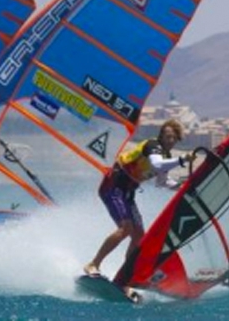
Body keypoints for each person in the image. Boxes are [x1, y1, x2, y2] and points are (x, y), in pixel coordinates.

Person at [83, 120, 194, 288]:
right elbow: (157, 164)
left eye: (174, 138)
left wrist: (182, 186)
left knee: (139, 237)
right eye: (168, 136)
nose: (170, 140)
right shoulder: (152, 145)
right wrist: (182, 160)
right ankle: (93, 264)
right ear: (161, 136)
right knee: (126, 228)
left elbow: (162, 182)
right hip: (113, 186)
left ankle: (124, 279)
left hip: (128, 193)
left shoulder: (167, 156)